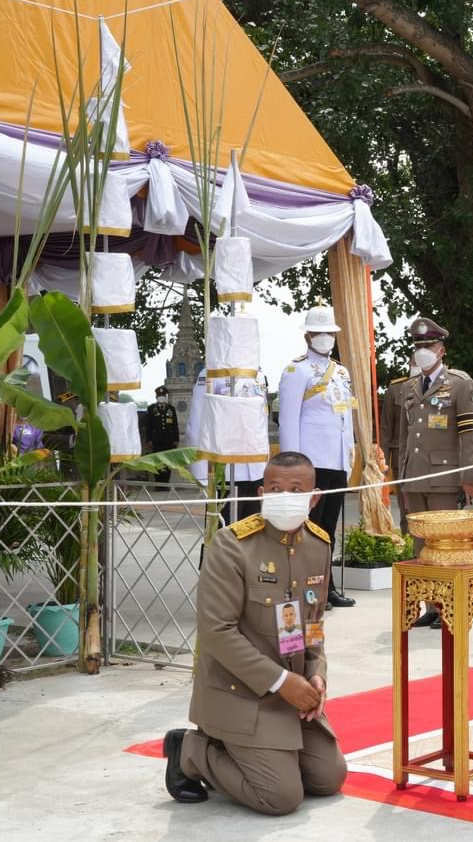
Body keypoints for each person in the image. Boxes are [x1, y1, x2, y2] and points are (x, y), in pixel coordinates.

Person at [163, 451, 346, 815]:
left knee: (329, 778)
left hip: (291, 692)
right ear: (261, 493)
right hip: (240, 693)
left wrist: (315, 675)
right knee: (280, 797)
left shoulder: (318, 544)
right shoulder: (232, 545)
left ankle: (255, 750)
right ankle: (191, 751)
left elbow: (312, 624)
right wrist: (281, 682)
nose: (284, 496)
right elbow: (216, 631)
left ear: (314, 498)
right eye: (275, 488)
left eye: (296, 489)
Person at [399, 317, 473, 629]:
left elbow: (469, 433)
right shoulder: (409, 385)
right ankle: (431, 605)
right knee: (421, 545)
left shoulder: (459, 383)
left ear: (441, 349)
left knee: (446, 545)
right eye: (418, 346)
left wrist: (470, 476)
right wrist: (402, 476)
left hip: (445, 476)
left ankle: (449, 604)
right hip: (415, 476)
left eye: (429, 346)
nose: (423, 351)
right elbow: (409, 435)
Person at [278, 299, 356, 609]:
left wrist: (349, 455)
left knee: (328, 528)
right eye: (319, 332)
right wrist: (292, 466)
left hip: (336, 460)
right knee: (307, 527)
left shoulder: (340, 371)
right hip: (309, 461)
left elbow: (345, 416)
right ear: (308, 336)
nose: (325, 337)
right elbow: (288, 419)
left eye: (330, 333)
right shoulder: (296, 370)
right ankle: (305, 590)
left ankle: (327, 586)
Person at [188, 368, 269, 532]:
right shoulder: (212, 372)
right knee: (222, 536)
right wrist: (201, 472)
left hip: (256, 468)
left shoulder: (258, 375)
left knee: (254, 534)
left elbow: (262, 422)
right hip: (224, 471)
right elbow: (198, 423)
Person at [379, 358, 419, 534]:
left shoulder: (444, 386)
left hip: (433, 458)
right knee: (406, 507)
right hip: (401, 457)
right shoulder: (395, 389)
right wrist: (383, 461)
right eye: (415, 362)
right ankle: (409, 548)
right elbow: (386, 428)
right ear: (410, 364)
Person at [146, 385, 180, 483]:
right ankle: (158, 483)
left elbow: (175, 425)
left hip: (168, 440)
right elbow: (148, 426)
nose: (161, 396)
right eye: (159, 395)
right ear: (156, 396)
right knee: (157, 462)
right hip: (156, 441)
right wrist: (148, 440)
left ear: (166, 396)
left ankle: (166, 482)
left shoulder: (171, 409)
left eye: (163, 395)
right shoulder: (151, 408)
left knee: (167, 462)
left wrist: (176, 439)